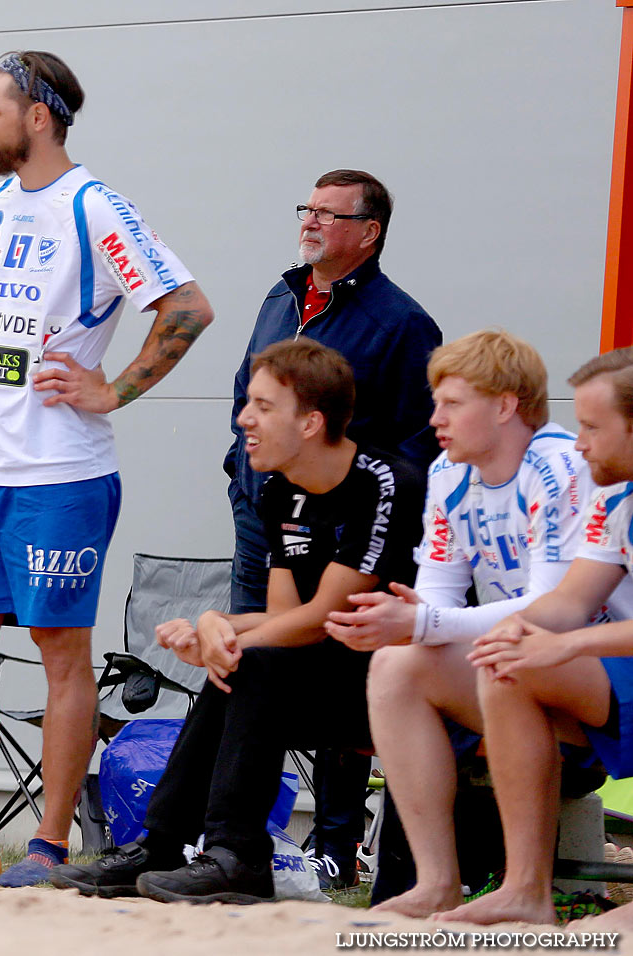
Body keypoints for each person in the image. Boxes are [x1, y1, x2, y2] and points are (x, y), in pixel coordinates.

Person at [0, 50, 215, 888]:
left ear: (37, 116)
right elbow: (8, 317)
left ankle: (48, 844)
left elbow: (186, 306)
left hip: (62, 474)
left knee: (59, 648)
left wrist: (115, 390)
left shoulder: (95, 206)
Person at [51, 339, 425, 903]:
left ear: (310, 423)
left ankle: (238, 854)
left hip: (408, 680)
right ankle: (163, 845)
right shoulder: (279, 491)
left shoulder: (383, 483)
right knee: (239, 668)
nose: (244, 418)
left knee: (245, 663)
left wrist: (221, 637)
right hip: (330, 675)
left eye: (263, 406)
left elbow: (325, 616)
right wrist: (211, 625)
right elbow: (282, 617)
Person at [322, 330, 633, 916]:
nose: (434, 417)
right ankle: (439, 881)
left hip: (600, 667)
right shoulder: (448, 474)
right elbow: (447, 601)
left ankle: (525, 888)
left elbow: (549, 606)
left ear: (505, 405)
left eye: (452, 403)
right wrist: (401, 622)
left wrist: (424, 623)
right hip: (561, 665)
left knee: (500, 659)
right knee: (397, 666)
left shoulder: (563, 465)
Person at [223, 169, 441, 884]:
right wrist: (242, 469)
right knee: (250, 663)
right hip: (265, 515)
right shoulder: (279, 297)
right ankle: (234, 841)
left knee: (335, 669)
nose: (309, 222)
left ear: (369, 231)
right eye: (306, 209)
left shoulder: (402, 324)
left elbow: (416, 442)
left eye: (328, 213)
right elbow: (244, 394)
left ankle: (337, 845)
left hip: (349, 532)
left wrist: (352, 498)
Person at [432, 348, 633, 926]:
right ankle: (525, 888)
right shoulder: (615, 498)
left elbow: (573, 630)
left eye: (593, 427)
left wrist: (570, 645)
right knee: (508, 659)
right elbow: (569, 603)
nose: (579, 443)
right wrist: (491, 631)